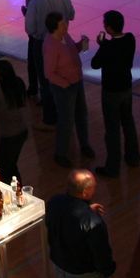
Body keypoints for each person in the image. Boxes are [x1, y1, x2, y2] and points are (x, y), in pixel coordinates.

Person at [23, 0, 75, 125]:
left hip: (42, 44)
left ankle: (50, 117)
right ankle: (65, 112)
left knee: (46, 80)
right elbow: (72, 15)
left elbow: (30, 29)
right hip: (62, 41)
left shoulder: (34, 2)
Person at [90, 10, 139, 176]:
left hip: (111, 92)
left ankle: (112, 167)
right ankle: (133, 157)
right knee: (128, 123)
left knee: (112, 130)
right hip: (126, 88)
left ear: (109, 28)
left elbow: (95, 64)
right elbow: (118, 51)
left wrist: (102, 44)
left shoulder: (108, 47)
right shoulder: (130, 39)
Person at [41, 10, 93, 167]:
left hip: (75, 83)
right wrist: (65, 84)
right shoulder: (51, 45)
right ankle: (61, 153)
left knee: (81, 114)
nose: (66, 24)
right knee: (66, 120)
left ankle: (84, 145)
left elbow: (71, 51)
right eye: (63, 23)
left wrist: (80, 45)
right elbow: (49, 73)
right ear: (55, 27)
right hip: (64, 88)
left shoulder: (65, 37)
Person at [0, 59, 30, 184]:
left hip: (9, 135)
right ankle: (19, 191)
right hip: (22, 131)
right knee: (11, 164)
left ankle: (15, 193)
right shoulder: (19, 82)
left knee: (6, 168)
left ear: (0, 74)